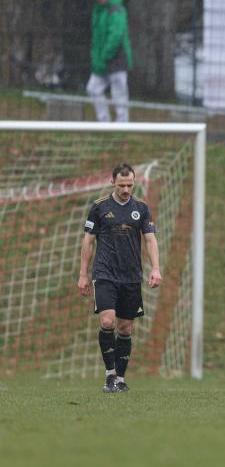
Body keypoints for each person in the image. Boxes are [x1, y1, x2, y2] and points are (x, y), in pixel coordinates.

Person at [77, 164, 161, 393]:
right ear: (112, 182)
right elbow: (88, 241)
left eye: (130, 185)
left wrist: (156, 268)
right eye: (122, 184)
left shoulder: (141, 209)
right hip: (105, 274)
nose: (126, 189)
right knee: (107, 322)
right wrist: (83, 274)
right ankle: (109, 376)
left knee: (125, 329)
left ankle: (121, 379)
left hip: (131, 276)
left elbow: (151, 239)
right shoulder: (99, 207)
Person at [87, 0, 132, 123]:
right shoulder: (99, 11)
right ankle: (104, 121)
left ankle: (122, 124)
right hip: (102, 60)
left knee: (119, 93)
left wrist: (105, 55)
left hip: (117, 59)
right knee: (93, 89)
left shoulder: (115, 9)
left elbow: (116, 35)